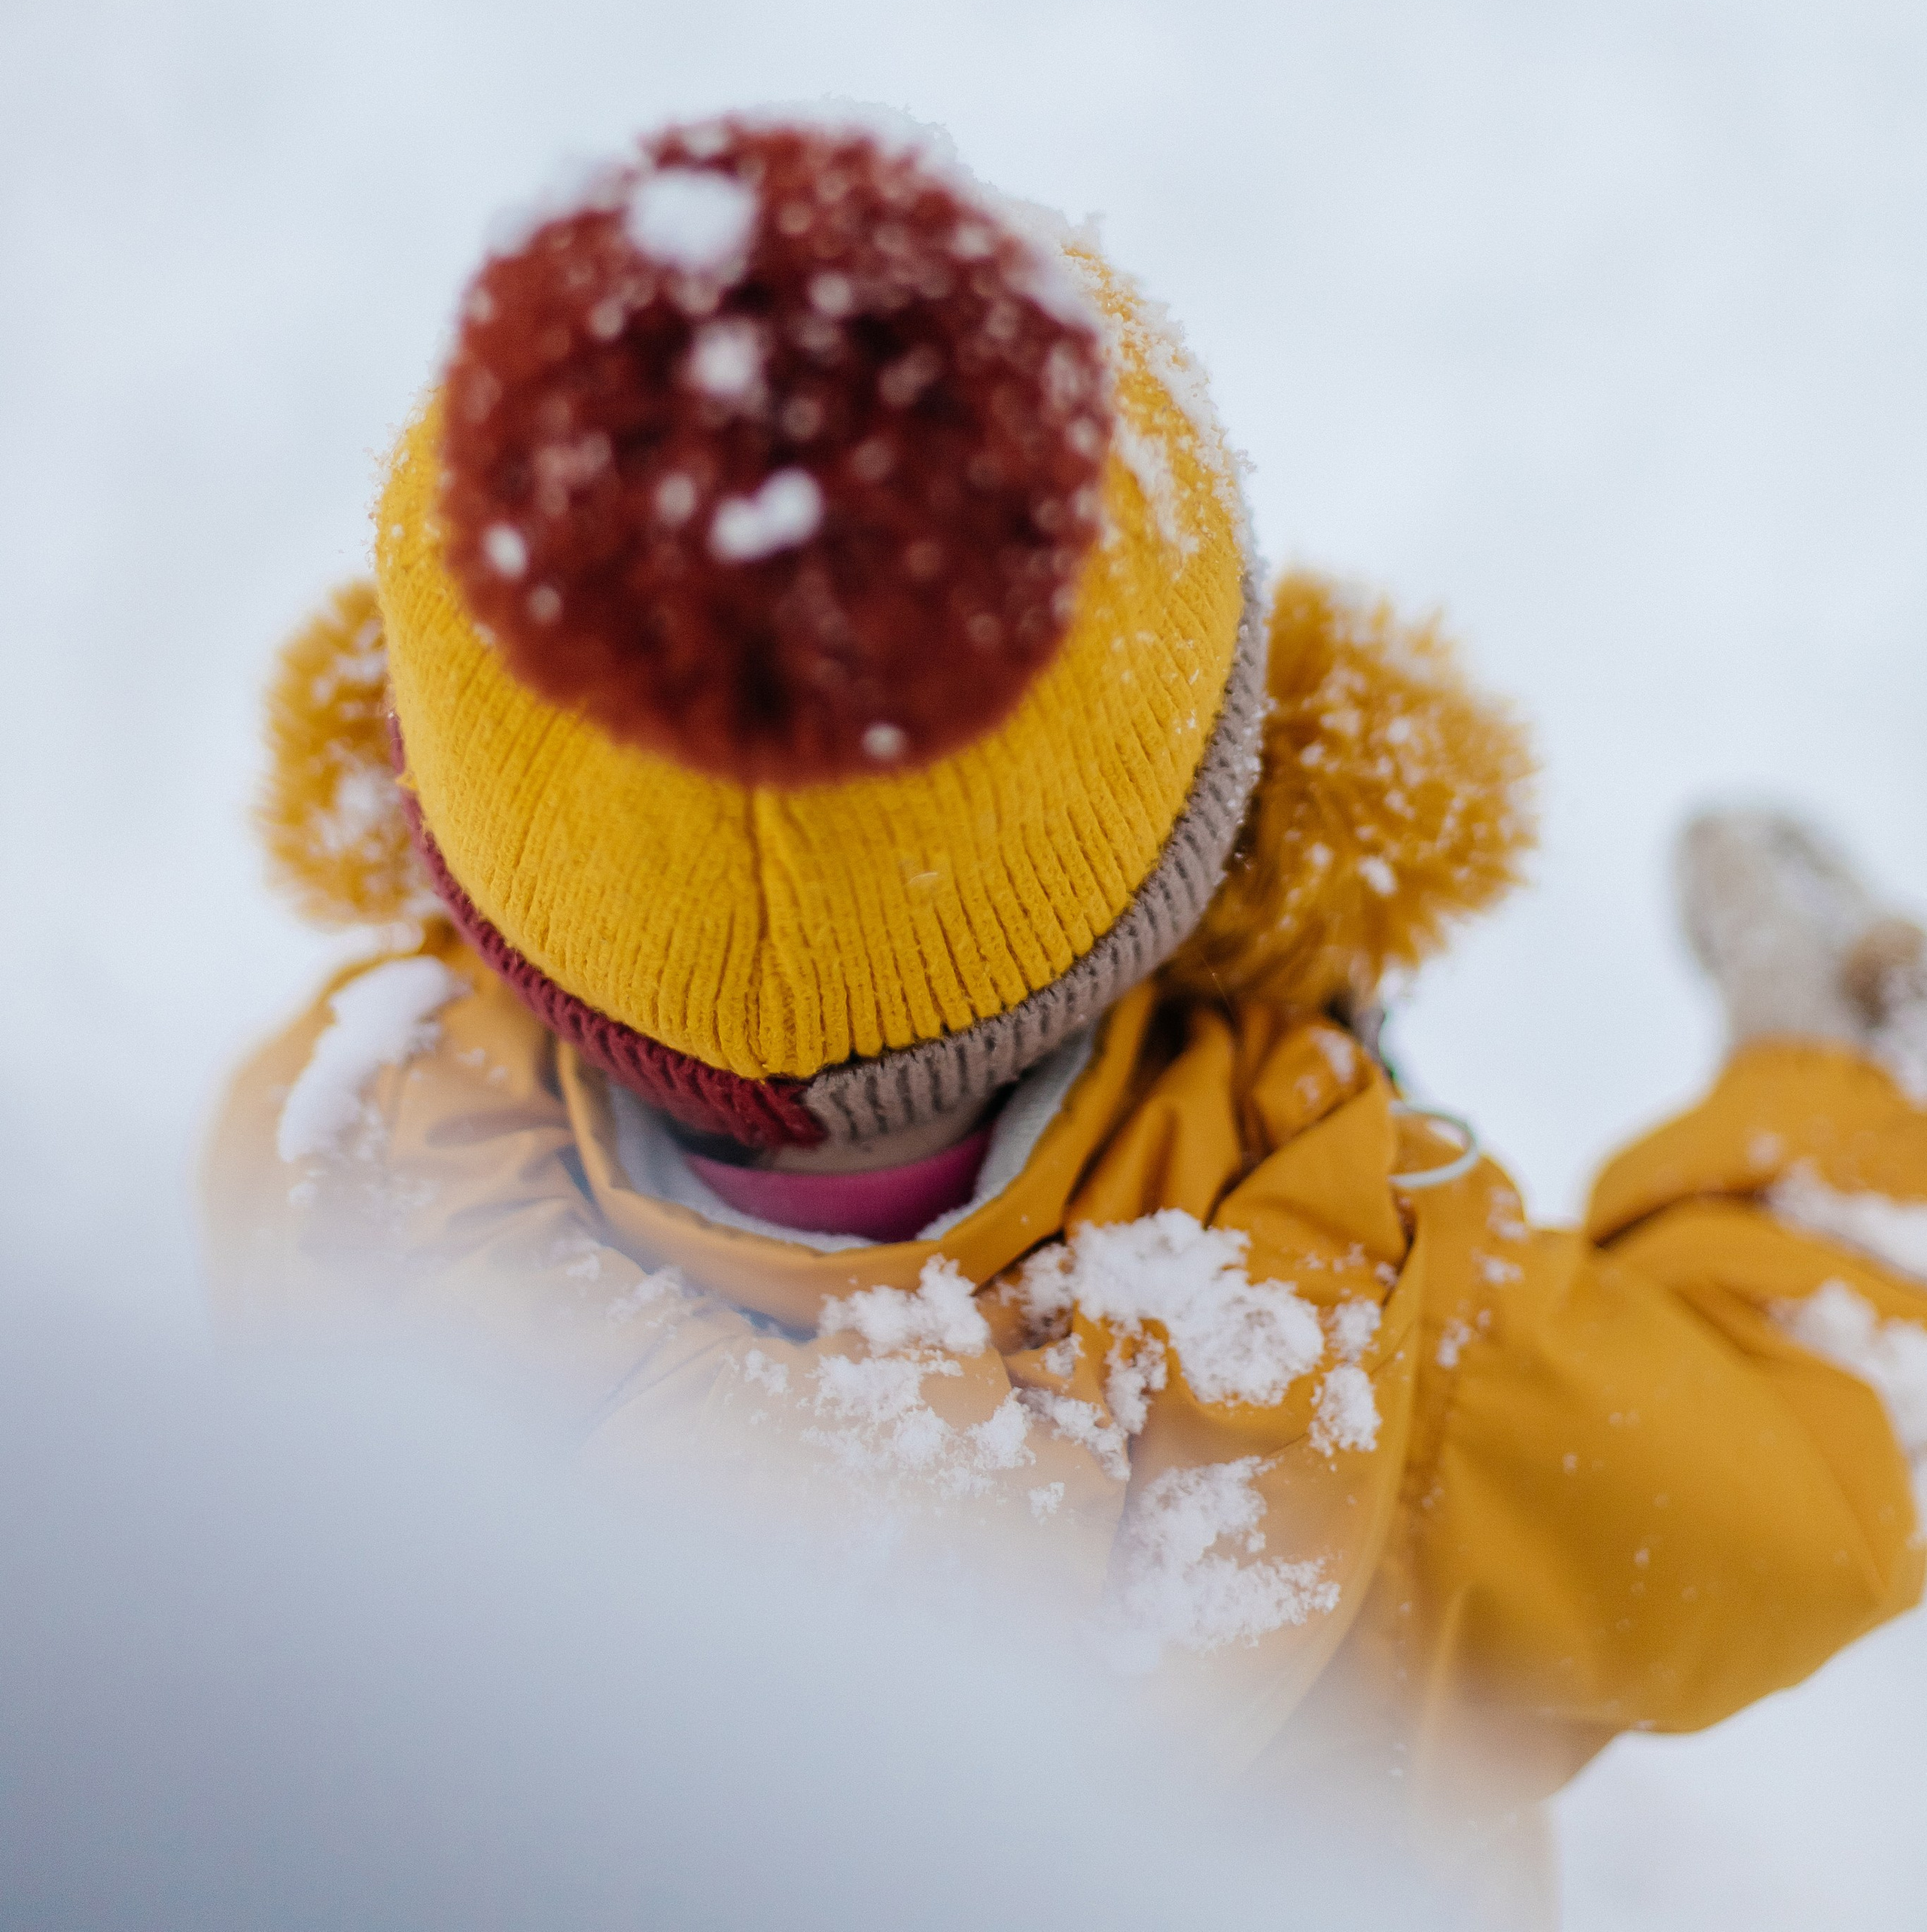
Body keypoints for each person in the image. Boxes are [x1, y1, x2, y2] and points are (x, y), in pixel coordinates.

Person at [205, 112, 1927, 1930]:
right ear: (1188, 843)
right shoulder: (1368, 1349)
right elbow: (1813, 1451)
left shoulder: (346, 1169)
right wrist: (1841, 1089)